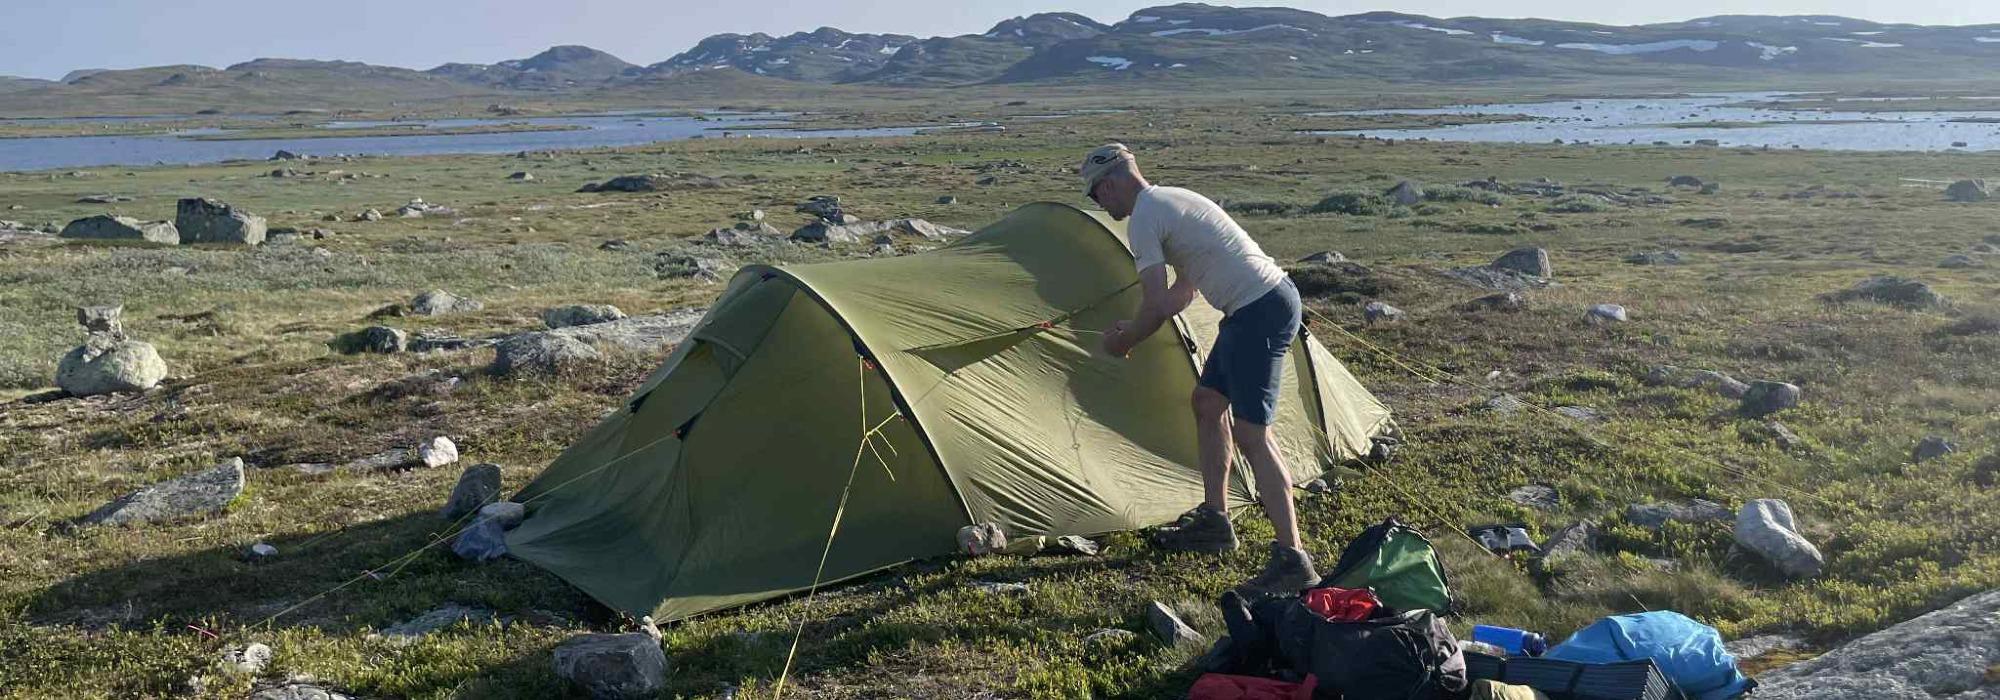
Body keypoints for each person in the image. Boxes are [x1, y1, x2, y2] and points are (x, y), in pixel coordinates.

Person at [1080, 142, 1317, 594]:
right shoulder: (1175, 199)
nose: (1099, 204)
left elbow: (1154, 304)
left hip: (1259, 309)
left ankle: (1294, 559)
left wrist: (1124, 339)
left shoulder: (1145, 219)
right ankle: (1215, 521)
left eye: (1095, 196)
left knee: (1253, 435)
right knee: (1208, 402)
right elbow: (1181, 295)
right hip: (1256, 307)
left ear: (1108, 184)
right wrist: (1133, 327)